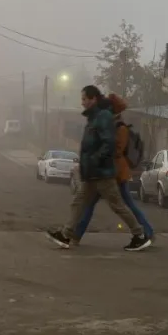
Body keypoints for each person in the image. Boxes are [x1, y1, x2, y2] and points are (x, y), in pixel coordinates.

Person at [46, 85, 151, 252]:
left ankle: (140, 235)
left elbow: (108, 144)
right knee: (78, 203)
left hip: (102, 173)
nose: (82, 103)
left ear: (93, 99)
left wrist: (94, 160)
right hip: (92, 174)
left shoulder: (103, 117)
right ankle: (66, 234)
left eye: (84, 99)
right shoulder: (94, 117)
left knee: (118, 206)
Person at [72, 93, 154, 247]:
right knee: (89, 204)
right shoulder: (108, 124)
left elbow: (115, 151)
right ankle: (75, 234)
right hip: (103, 172)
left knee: (126, 205)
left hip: (115, 174)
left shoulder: (120, 127)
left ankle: (146, 232)